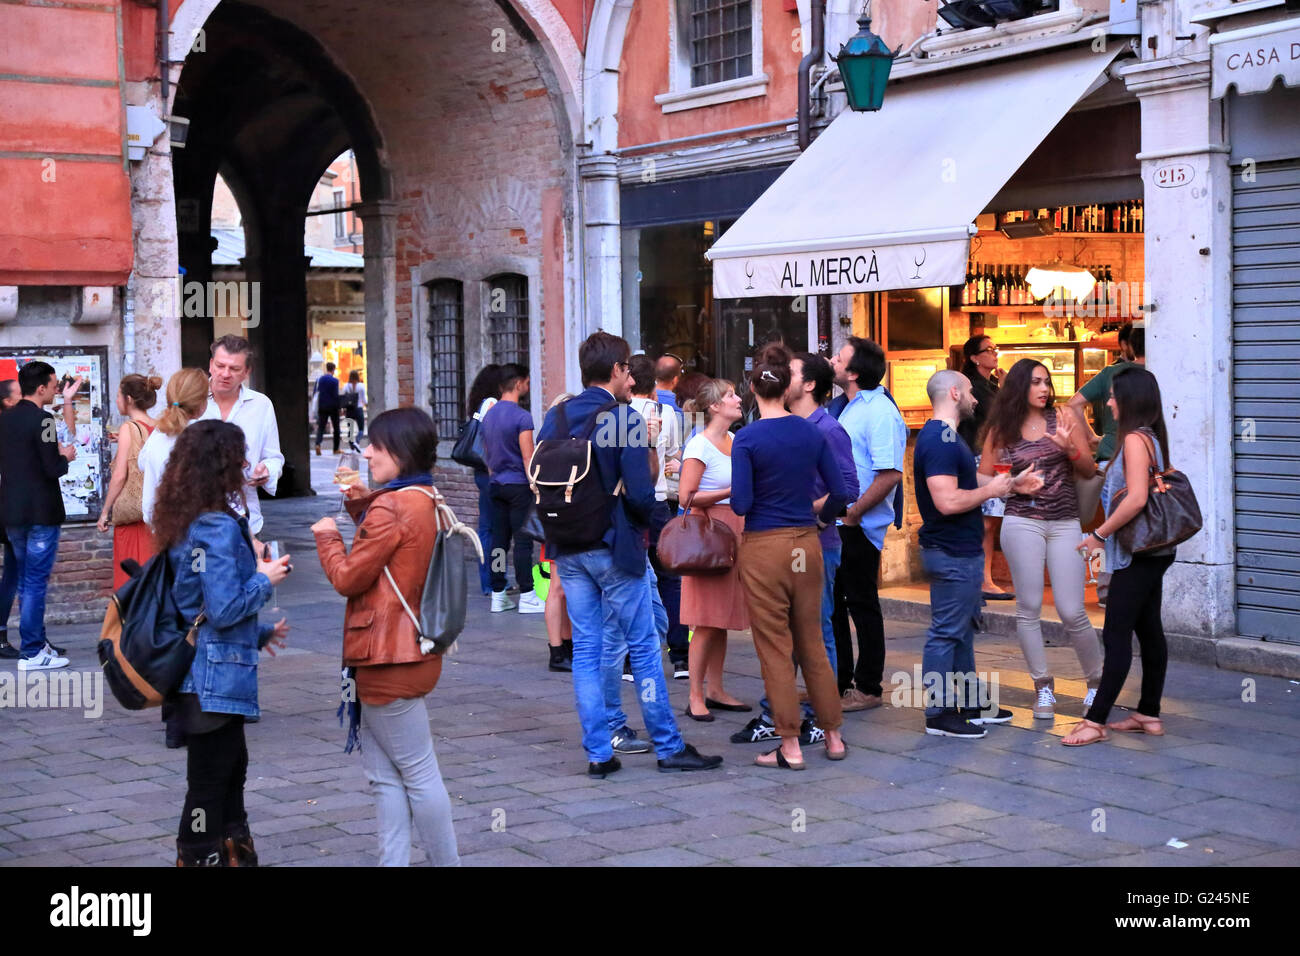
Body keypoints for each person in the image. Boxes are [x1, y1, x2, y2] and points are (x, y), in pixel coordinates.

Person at [536, 331, 722, 778]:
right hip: (615, 547)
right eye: (626, 368)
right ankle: (668, 746)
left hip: (568, 545)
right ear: (619, 370)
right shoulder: (622, 419)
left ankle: (599, 752)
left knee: (586, 650)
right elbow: (642, 495)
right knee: (642, 647)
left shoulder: (556, 417)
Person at [312, 407, 461, 865]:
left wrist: (327, 537)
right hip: (411, 651)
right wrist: (363, 505)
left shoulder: (392, 505)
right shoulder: (426, 497)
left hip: (385, 659)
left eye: (377, 445)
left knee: (417, 774)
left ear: (402, 450)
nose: (369, 452)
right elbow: (393, 548)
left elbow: (349, 579)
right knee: (387, 778)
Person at [153, 420, 291, 866]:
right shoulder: (213, 526)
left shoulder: (189, 518)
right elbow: (225, 606)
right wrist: (264, 579)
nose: (246, 465)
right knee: (210, 781)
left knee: (230, 771)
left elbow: (196, 600)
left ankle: (234, 852)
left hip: (210, 669)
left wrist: (262, 633)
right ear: (221, 465)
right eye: (239, 457)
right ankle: (196, 855)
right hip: (209, 676)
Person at [731, 345, 849, 769]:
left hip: (765, 545)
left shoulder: (746, 438)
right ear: (786, 387)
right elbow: (840, 493)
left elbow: (742, 504)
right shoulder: (812, 432)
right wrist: (818, 523)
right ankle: (833, 736)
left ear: (752, 388)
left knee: (775, 648)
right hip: (807, 544)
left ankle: (791, 745)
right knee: (813, 641)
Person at [913, 371, 1040, 738]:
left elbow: (968, 481)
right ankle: (938, 713)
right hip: (951, 552)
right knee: (946, 633)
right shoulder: (939, 439)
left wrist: (1010, 485)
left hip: (960, 551)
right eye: (969, 391)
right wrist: (992, 492)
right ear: (954, 392)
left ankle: (971, 703)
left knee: (962, 631)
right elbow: (948, 500)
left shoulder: (947, 438)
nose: (975, 398)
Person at [980, 359, 1103, 719]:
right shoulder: (1001, 429)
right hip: (1022, 522)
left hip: (1065, 522)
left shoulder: (1064, 417)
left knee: (1072, 610)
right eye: (1036, 382)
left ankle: (1096, 683)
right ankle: (1043, 688)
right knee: (1028, 608)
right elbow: (982, 479)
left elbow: (1089, 469)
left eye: (1047, 382)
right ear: (1020, 386)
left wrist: (1070, 449)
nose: (1045, 389)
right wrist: (1012, 484)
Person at [1063, 366, 1177, 747]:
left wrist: (1098, 534)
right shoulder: (1150, 438)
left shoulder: (1133, 441)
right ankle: (1148, 713)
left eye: (1113, 397)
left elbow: (1137, 499)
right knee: (1148, 630)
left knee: (1116, 635)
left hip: (1137, 553)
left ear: (1129, 401)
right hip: (1153, 551)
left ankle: (1095, 720)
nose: (1107, 403)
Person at [828, 337, 907, 713]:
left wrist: (857, 511)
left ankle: (869, 686)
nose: (832, 360)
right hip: (842, 521)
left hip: (858, 525)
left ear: (854, 372)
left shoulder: (880, 412)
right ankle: (839, 684)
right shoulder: (849, 406)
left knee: (861, 604)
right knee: (835, 605)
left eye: (839, 358)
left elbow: (889, 472)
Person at [676, 378, 750, 721]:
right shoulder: (699, 446)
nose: (738, 398)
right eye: (731, 394)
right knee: (705, 620)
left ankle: (716, 689)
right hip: (709, 537)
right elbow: (686, 498)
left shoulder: (734, 440)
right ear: (715, 407)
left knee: (719, 619)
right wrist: (729, 491)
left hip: (733, 533)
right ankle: (695, 696)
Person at [0, 363, 79, 671]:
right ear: (42, 388)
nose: (56, 389)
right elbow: (53, 468)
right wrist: (66, 457)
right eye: (54, 384)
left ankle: (37, 642)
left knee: (24, 580)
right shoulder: (44, 420)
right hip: (40, 513)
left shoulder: (5, 420)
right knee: (34, 582)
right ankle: (32, 651)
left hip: (12, 513)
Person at [629, 355, 689, 680]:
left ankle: (630, 660)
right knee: (670, 578)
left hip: (628, 505)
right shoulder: (666, 413)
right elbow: (674, 457)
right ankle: (680, 657)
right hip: (660, 504)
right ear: (652, 383)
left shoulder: (615, 417)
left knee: (632, 578)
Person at [201, 335, 284, 538]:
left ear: (247, 372)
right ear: (211, 365)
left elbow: (274, 457)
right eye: (220, 366)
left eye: (234, 369)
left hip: (246, 521)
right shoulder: (191, 401)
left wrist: (267, 470)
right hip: (196, 519)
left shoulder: (261, 405)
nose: (225, 374)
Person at [481, 363, 542, 614]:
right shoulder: (521, 417)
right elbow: (529, 457)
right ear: (518, 384)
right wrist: (535, 485)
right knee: (523, 542)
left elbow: (485, 455)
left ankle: (498, 593)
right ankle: (527, 594)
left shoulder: (489, 415)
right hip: (518, 485)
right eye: (527, 383)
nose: (528, 387)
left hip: (495, 484)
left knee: (498, 542)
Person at [96, 374, 163, 589]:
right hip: (157, 515)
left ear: (129, 399)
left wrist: (105, 511)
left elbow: (120, 476)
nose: (116, 400)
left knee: (131, 582)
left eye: (118, 396)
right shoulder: (160, 425)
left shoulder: (128, 428)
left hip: (134, 518)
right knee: (154, 579)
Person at [957, 335, 1011, 599]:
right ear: (974, 357)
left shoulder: (988, 385)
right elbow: (998, 418)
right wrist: (1005, 388)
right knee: (986, 524)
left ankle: (983, 578)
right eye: (988, 350)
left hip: (990, 457)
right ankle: (983, 580)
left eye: (995, 348)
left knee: (989, 523)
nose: (994, 353)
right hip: (980, 459)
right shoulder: (974, 387)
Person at [140, 368, 211, 530]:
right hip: (198, 534)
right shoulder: (205, 438)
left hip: (162, 532)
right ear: (201, 404)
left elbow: (142, 463)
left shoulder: (157, 437)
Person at [1068, 322, 1144, 464]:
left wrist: (1091, 437)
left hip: (1111, 454)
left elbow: (1073, 404)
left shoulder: (1110, 372)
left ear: (1129, 344)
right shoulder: (1160, 373)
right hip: (1147, 456)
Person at [465, 364, 503, 596]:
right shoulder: (491, 404)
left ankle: (490, 580)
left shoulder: (480, 403)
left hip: (482, 473)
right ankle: (492, 581)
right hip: (490, 473)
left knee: (488, 529)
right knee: (492, 530)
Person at [0, 379, 23, 657]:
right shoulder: (9, 428)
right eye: (20, 394)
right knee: (16, 574)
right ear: (7, 401)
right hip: (8, 509)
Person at [314, 362, 342, 455]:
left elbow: (316, 392)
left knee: (321, 427)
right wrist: (339, 407)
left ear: (327, 368)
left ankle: (318, 444)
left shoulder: (320, 379)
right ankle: (335, 448)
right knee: (336, 428)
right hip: (333, 407)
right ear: (333, 369)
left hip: (322, 406)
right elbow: (335, 395)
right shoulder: (335, 381)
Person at [342, 369, 367, 438]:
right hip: (358, 409)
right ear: (357, 376)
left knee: (350, 430)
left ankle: (352, 445)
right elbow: (364, 400)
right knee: (361, 429)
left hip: (349, 410)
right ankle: (358, 440)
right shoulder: (361, 386)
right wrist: (367, 405)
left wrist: (343, 409)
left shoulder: (345, 386)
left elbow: (343, 399)